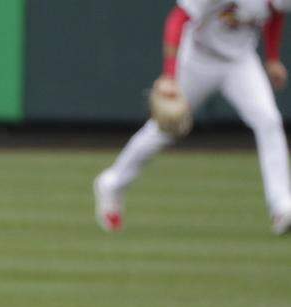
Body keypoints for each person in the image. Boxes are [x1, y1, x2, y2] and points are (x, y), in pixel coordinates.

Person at [94, 0, 291, 234]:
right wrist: (169, 75)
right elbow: (178, 18)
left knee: (269, 121)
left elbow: (276, 14)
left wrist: (272, 57)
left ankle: (281, 207)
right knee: (164, 129)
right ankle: (112, 183)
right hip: (199, 58)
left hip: (240, 62)